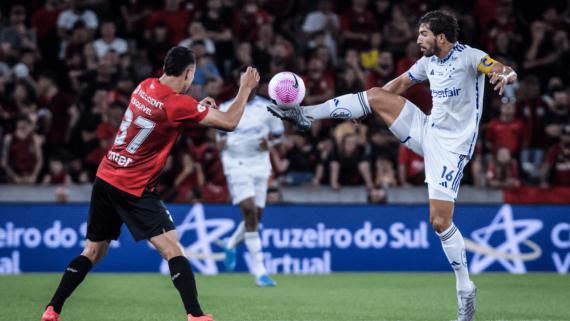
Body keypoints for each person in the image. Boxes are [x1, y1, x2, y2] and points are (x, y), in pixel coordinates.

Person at [268, 10, 517, 321]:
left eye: (423, 34)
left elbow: (500, 67)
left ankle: (465, 288)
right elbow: (398, 84)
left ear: (441, 37)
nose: (417, 40)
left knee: (439, 222)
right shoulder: (428, 63)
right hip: (427, 130)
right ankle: (304, 114)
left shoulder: (470, 57)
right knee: (375, 93)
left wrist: (504, 75)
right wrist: (368, 105)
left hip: (452, 150)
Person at [41, 46, 260, 321]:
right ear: (189, 73)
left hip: (106, 176)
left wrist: (197, 108)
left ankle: (53, 309)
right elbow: (229, 122)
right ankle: (195, 315)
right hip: (134, 186)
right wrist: (245, 88)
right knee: (173, 248)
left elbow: (162, 116)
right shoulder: (178, 104)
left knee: (93, 251)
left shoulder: (144, 86)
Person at [218, 67, 284, 286]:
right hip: (236, 165)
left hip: (260, 166)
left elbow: (278, 136)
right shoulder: (227, 107)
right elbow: (219, 138)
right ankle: (260, 273)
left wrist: (271, 144)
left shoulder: (268, 108)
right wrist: (220, 145)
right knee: (248, 212)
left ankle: (231, 243)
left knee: (254, 217)